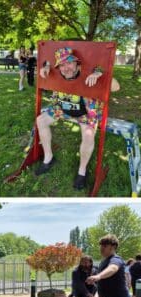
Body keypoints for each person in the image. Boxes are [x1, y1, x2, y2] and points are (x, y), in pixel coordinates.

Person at [36, 47, 120, 190]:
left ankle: (82, 171)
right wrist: (47, 66)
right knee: (41, 120)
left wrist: (100, 74)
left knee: (88, 135)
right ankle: (48, 158)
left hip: (85, 113)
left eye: (69, 63)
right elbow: (50, 68)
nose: (65, 68)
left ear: (77, 64)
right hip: (62, 108)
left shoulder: (90, 73)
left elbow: (116, 88)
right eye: (61, 65)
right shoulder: (56, 72)